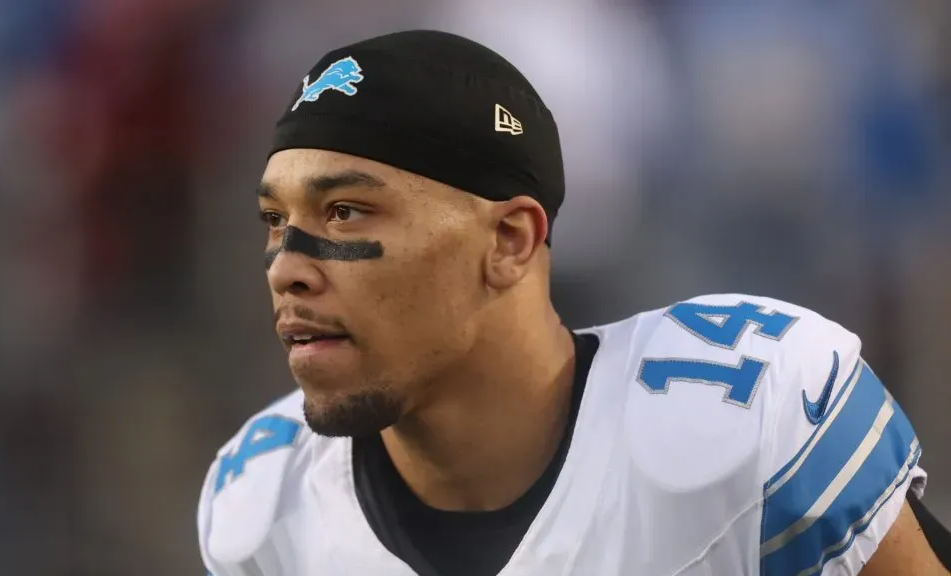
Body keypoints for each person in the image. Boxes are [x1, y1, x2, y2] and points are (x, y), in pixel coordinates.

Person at [197, 30, 950, 575]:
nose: (286, 267)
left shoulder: (744, 419)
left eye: (346, 213)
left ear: (511, 240)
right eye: (275, 220)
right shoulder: (264, 500)